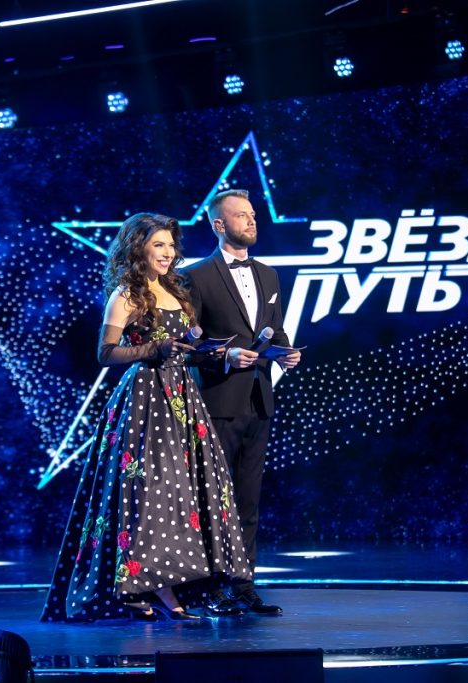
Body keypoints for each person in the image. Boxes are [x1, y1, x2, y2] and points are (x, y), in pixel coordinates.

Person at [41, 212, 251, 623]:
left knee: (186, 493)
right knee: (151, 491)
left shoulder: (176, 291)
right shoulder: (127, 295)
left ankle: (181, 585)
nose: (168, 253)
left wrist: (221, 353)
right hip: (146, 401)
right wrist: (153, 350)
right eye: (159, 245)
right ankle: (147, 587)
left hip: (183, 399)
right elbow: (106, 353)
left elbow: (187, 348)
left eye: (171, 245)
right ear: (138, 249)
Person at [182, 189, 301, 616]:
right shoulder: (196, 276)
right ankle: (211, 587)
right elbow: (186, 347)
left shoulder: (268, 274)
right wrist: (225, 356)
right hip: (216, 400)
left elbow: (274, 329)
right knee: (213, 498)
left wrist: (285, 352)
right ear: (219, 225)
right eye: (241, 216)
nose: (252, 221)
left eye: (252, 215)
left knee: (248, 499)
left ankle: (243, 582)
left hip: (258, 399)